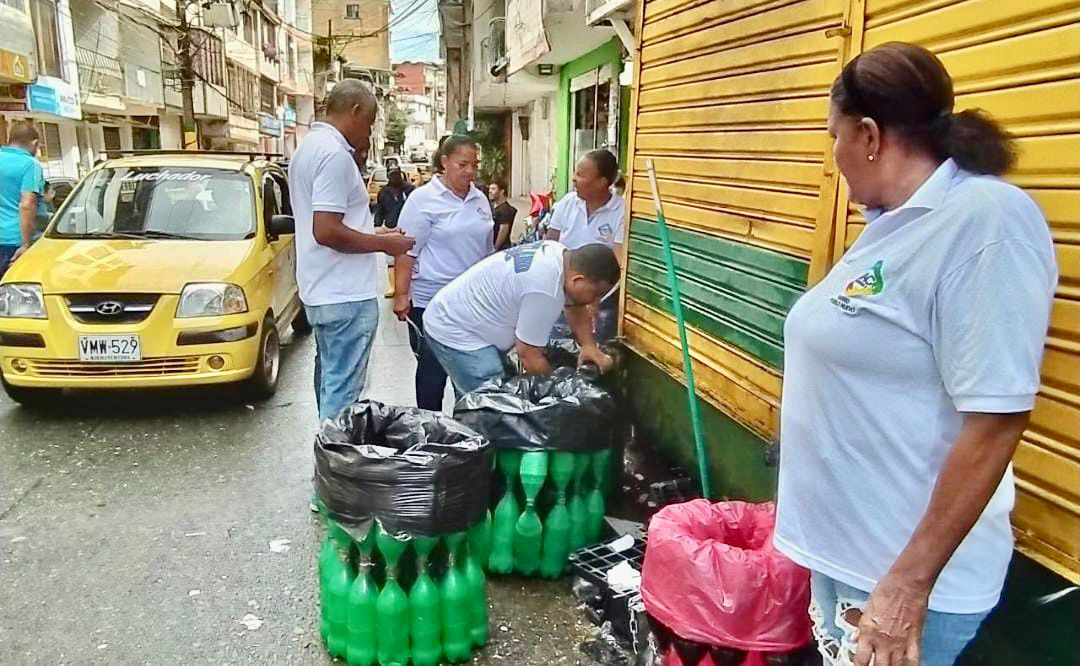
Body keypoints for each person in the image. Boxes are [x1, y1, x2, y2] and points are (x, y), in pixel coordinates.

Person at [774, 42, 1057, 666]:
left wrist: (906, 586)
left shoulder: (986, 222)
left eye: (834, 137)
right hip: (849, 560)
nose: (834, 158)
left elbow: (997, 418)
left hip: (900, 581)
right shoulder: (892, 224)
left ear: (869, 135)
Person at [287, 79, 415, 422]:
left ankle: (327, 457)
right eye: (370, 124)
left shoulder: (308, 148)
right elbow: (326, 230)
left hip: (322, 290)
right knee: (343, 396)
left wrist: (376, 232)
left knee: (330, 383)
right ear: (355, 111)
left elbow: (329, 224)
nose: (369, 134)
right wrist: (384, 244)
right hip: (343, 294)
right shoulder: (334, 155)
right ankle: (336, 466)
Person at [422, 241, 619, 396]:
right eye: (596, 294)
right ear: (578, 280)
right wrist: (562, 392)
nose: (596, 301)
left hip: (463, 317)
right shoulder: (545, 289)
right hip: (456, 330)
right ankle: (475, 443)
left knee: (483, 397)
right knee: (490, 402)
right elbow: (529, 356)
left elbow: (574, 304)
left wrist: (589, 346)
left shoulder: (559, 254)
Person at [394, 135, 493, 410]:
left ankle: (469, 432)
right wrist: (402, 294)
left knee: (470, 370)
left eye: (475, 165)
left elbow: (486, 252)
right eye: (463, 164)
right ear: (444, 162)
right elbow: (406, 251)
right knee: (432, 371)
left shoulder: (480, 199)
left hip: (472, 302)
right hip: (431, 302)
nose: (470, 171)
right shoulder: (422, 200)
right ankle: (430, 430)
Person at [546, 149, 626, 341]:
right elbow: (549, 245)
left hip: (597, 297)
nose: (573, 179)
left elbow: (618, 260)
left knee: (591, 346)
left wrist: (594, 298)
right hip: (561, 290)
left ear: (602, 182)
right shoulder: (567, 203)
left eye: (581, 174)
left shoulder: (621, 211)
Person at [0, 122, 44, 277]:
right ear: (34, 143)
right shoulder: (30, 165)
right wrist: (25, 244)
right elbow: (27, 204)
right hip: (14, 242)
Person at [373, 167, 414, 298]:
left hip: (408, 228)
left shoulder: (410, 190)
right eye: (392, 175)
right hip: (390, 228)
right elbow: (379, 210)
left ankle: (408, 285)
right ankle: (393, 286)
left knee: (409, 257)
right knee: (390, 260)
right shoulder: (384, 192)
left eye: (397, 174)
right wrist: (377, 226)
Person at [488, 180, 517, 251]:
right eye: (490, 189)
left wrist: (495, 249)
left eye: (493, 189)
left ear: (502, 191)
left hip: (501, 249)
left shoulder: (505, 210)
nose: (490, 191)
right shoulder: (493, 207)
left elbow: (503, 230)